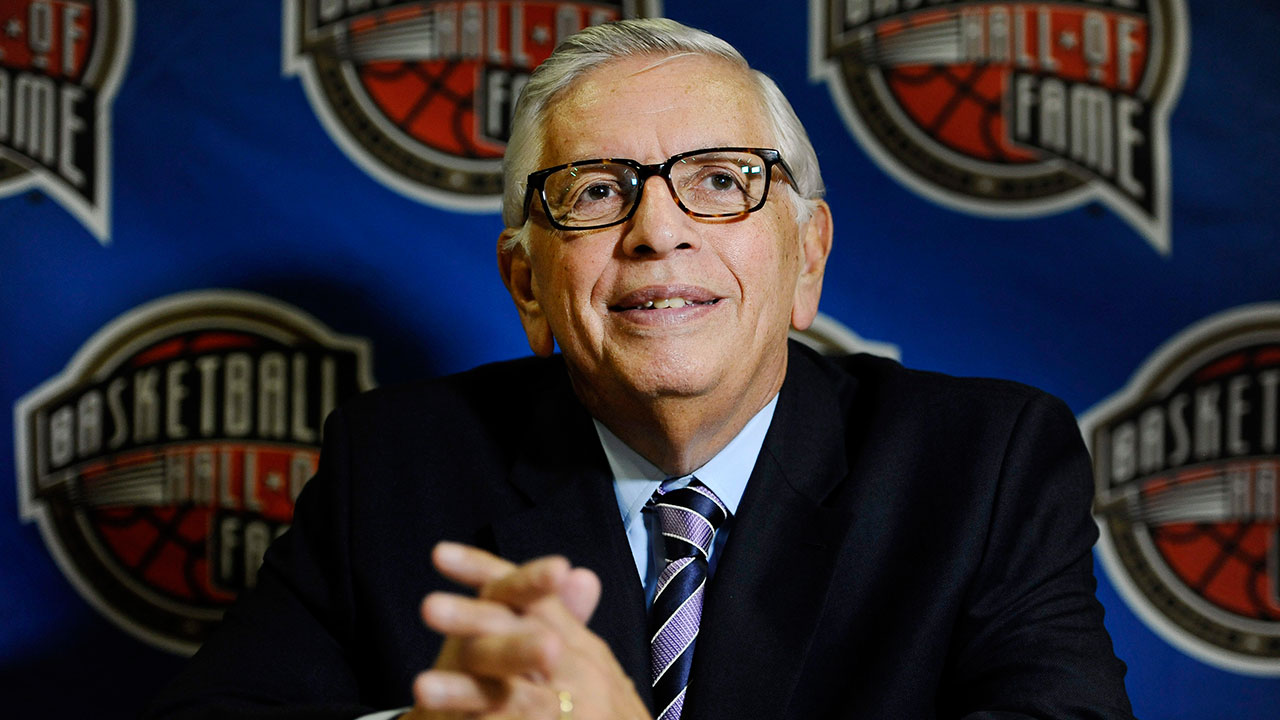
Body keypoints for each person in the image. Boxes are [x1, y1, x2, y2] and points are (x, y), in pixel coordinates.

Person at [146, 18, 1135, 720]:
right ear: (527, 285)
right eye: (596, 189)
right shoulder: (395, 466)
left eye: (718, 181)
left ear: (808, 260)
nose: (656, 230)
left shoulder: (985, 465)